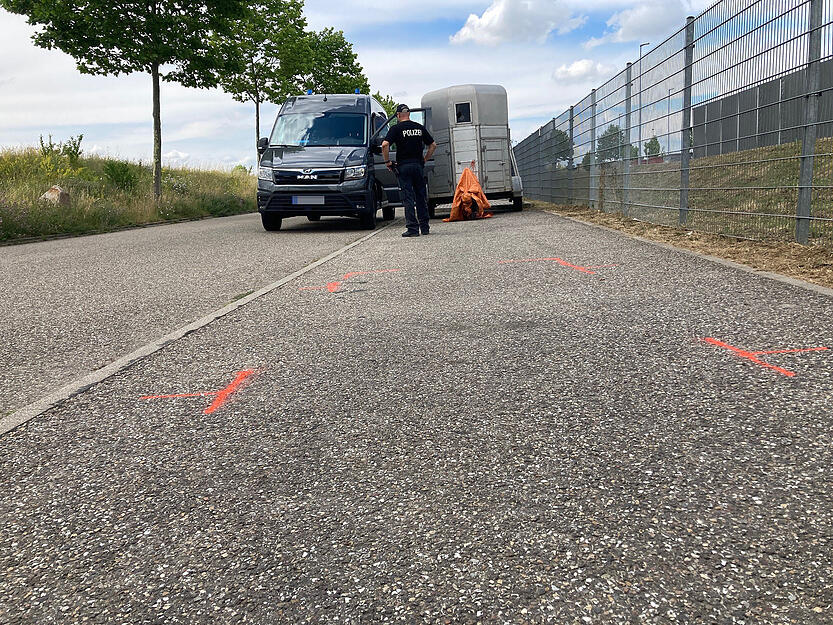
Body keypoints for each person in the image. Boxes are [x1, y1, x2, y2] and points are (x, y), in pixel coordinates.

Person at [382, 104, 437, 237]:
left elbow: (385, 144)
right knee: (420, 197)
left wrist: (387, 161)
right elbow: (433, 145)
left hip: (404, 167)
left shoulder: (396, 128)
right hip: (418, 166)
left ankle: (412, 228)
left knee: (408, 197)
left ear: (398, 115)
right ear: (409, 114)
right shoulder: (419, 127)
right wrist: (425, 159)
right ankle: (425, 227)